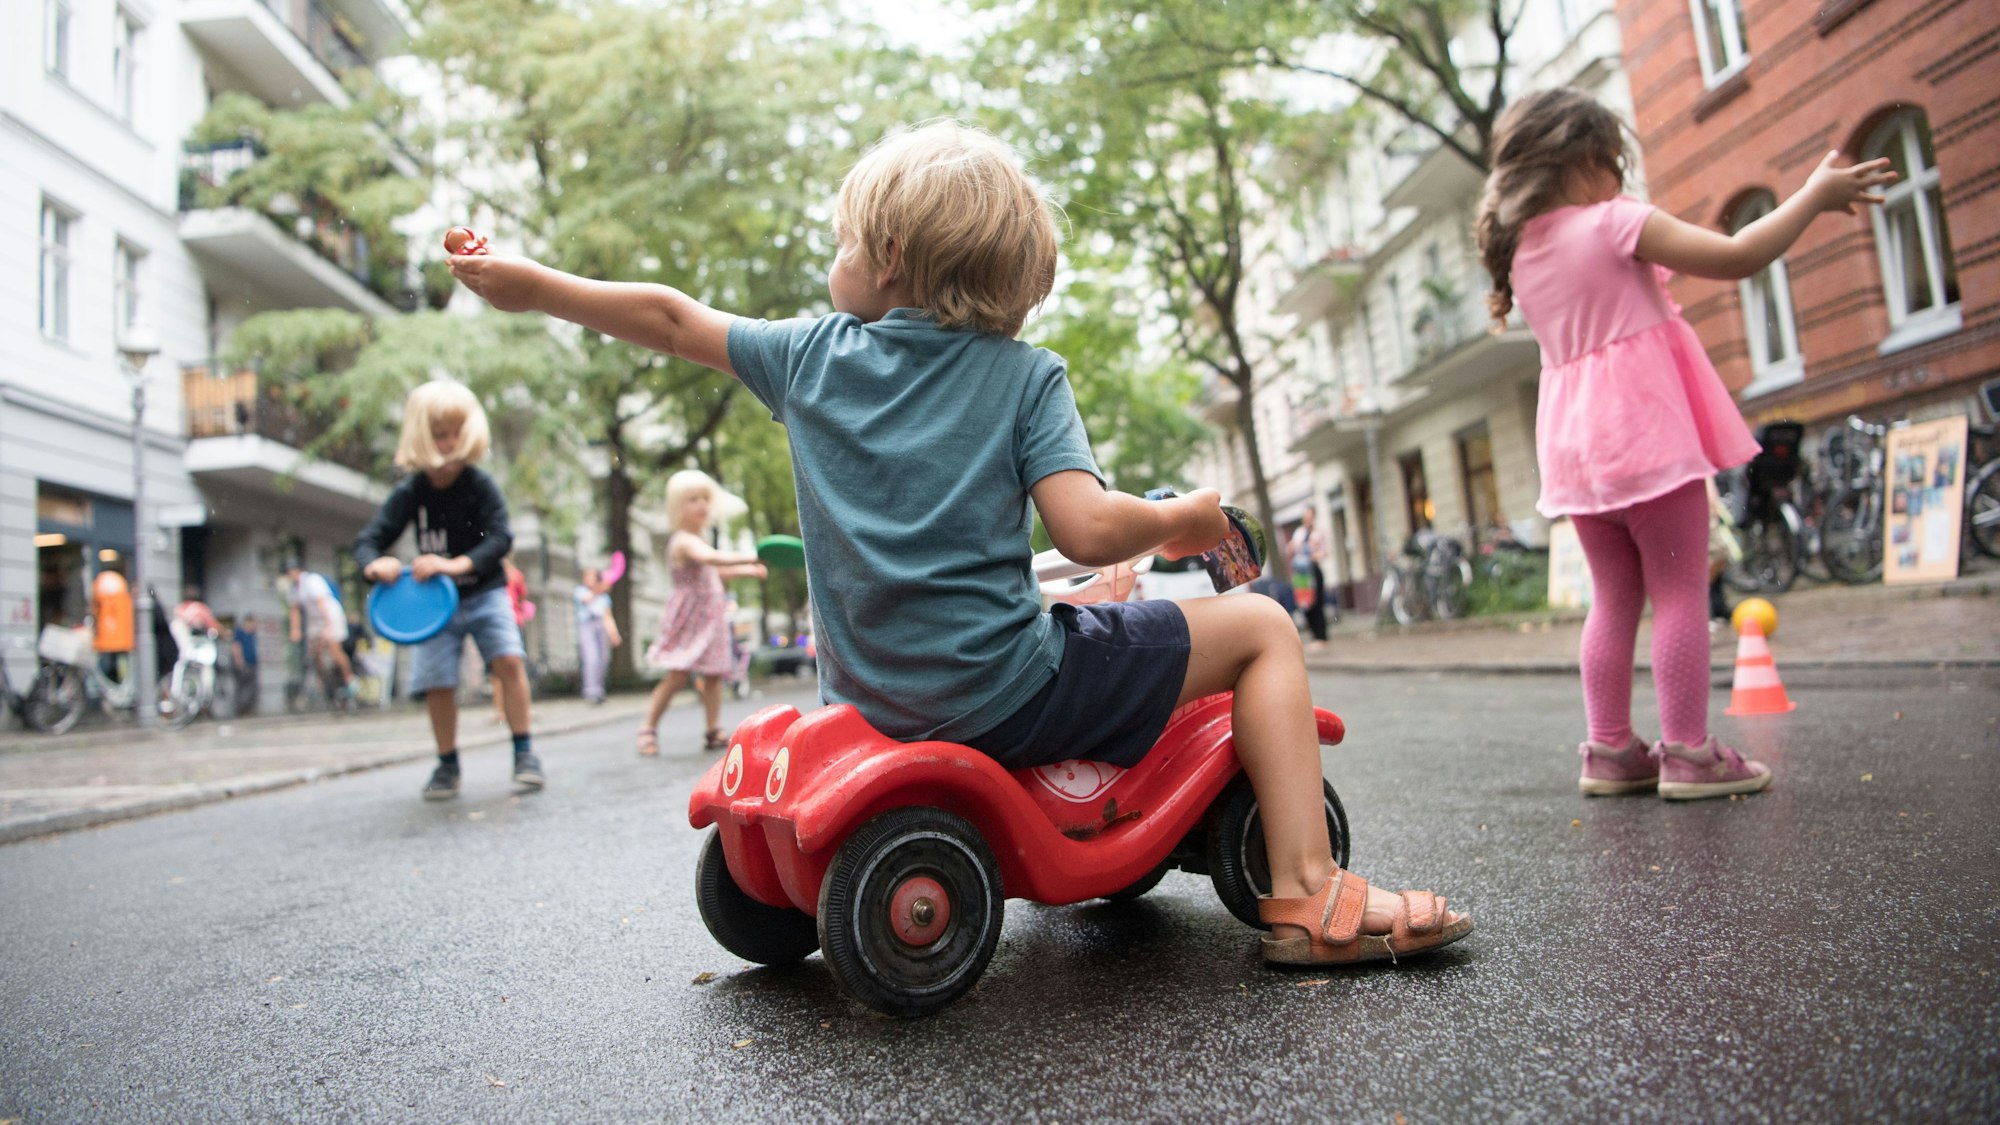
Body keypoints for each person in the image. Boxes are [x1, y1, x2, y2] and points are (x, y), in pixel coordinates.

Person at [450, 120, 1470, 966]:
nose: (832, 261)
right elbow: (1086, 527)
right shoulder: (1024, 377)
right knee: (1255, 630)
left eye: (844, 242)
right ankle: (1305, 889)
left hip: (867, 697)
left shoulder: (807, 358)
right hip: (1003, 691)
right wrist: (1186, 517)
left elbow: (671, 320)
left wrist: (529, 283)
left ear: (889, 260)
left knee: (1089, 618)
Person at [1475, 88, 1894, 800]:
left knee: (1612, 600)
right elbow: (1735, 255)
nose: (1620, 175)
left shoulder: (1523, 253)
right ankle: (1691, 754)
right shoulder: (1613, 223)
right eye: (1613, 159)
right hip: (1642, 434)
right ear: (1583, 159)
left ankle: (1608, 750)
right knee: (1678, 590)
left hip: (1575, 450)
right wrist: (1813, 195)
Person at [353, 380, 542, 801]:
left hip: (486, 592)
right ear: (421, 436)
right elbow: (369, 540)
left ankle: (525, 752)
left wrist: (455, 564)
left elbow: (500, 538)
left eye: (456, 431)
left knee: (509, 661)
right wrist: (375, 564)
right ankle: (446, 764)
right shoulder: (411, 492)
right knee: (437, 681)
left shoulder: (479, 485)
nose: (449, 442)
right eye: (439, 433)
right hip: (433, 605)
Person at [634, 470, 767, 754]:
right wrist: (753, 554)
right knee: (678, 675)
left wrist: (747, 571)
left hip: (710, 616)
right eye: (692, 499)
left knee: (713, 674)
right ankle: (648, 729)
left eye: (705, 499)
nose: (701, 505)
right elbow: (710, 558)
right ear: (677, 506)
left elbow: (715, 570)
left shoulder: (700, 536)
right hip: (691, 616)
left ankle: (712, 728)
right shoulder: (683, 540)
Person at [284, 561, 355, 698]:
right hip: (315, 620)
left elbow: (322, 603)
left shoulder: (312, 581)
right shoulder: (294, 589)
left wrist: (328, 626)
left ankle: (349, 679)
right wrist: (295, 630)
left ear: (297, 571)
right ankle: (323, 682)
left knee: (334, 649)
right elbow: (294, 610)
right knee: (315, 652)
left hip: (330, 615)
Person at [492, 555, 535, 723]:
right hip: (496, 622)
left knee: (514, 667)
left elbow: (522, 597)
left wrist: (521, 612)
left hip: (513, 622)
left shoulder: (515, 575)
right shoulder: (490, 574)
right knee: (497, 671)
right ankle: (500, 711)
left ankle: (522, 709)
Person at [572, 566, 621, 705]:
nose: (590, 579)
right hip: (587, 625)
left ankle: (600, 690)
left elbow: (607, 617)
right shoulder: (580, 591)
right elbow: (586, 600)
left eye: (593, 576)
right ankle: (591, 691)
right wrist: (600, 588)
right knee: (591, 658)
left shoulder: (604, 598)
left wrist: (614, 634)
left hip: (601, 626)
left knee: (602, 660)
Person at [1286, 507, 1330, 650]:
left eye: (1309, 516)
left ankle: (1321, 637)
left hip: (1313, 570)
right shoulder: (1299, 533)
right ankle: (1314, 636)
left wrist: (1313, 556)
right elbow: (1291, 549)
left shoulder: (1319, 533)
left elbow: (1324, 552)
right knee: (1306, 604)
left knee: (1317, 603)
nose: (1307, 519)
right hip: (1301, 573)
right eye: (1305, 516)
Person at [232, 612, 261, 712]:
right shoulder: (240, 632)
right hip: (244, 664)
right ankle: (241, 709)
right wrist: (239, 660)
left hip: (252, 663)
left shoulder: (252, 634)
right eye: (254, 623)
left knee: (252, 687)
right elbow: (236, 646)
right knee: (243, 687)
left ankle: (248, 709)